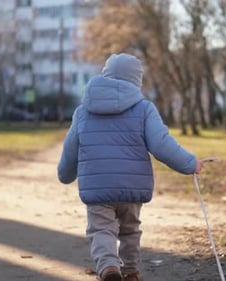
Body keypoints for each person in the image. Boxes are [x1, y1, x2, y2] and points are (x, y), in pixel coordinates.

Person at [57, 53, 202, 281]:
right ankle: (131, 272)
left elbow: (70, 148)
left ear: (105, 74)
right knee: (130, 229)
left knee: (101, 229)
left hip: (98, 187)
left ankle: (108, 267)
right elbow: (161, 144)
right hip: (131, 186)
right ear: (137, 80)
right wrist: (190, 163)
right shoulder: (144, 109)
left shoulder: (82, 112)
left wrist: (65, 174)